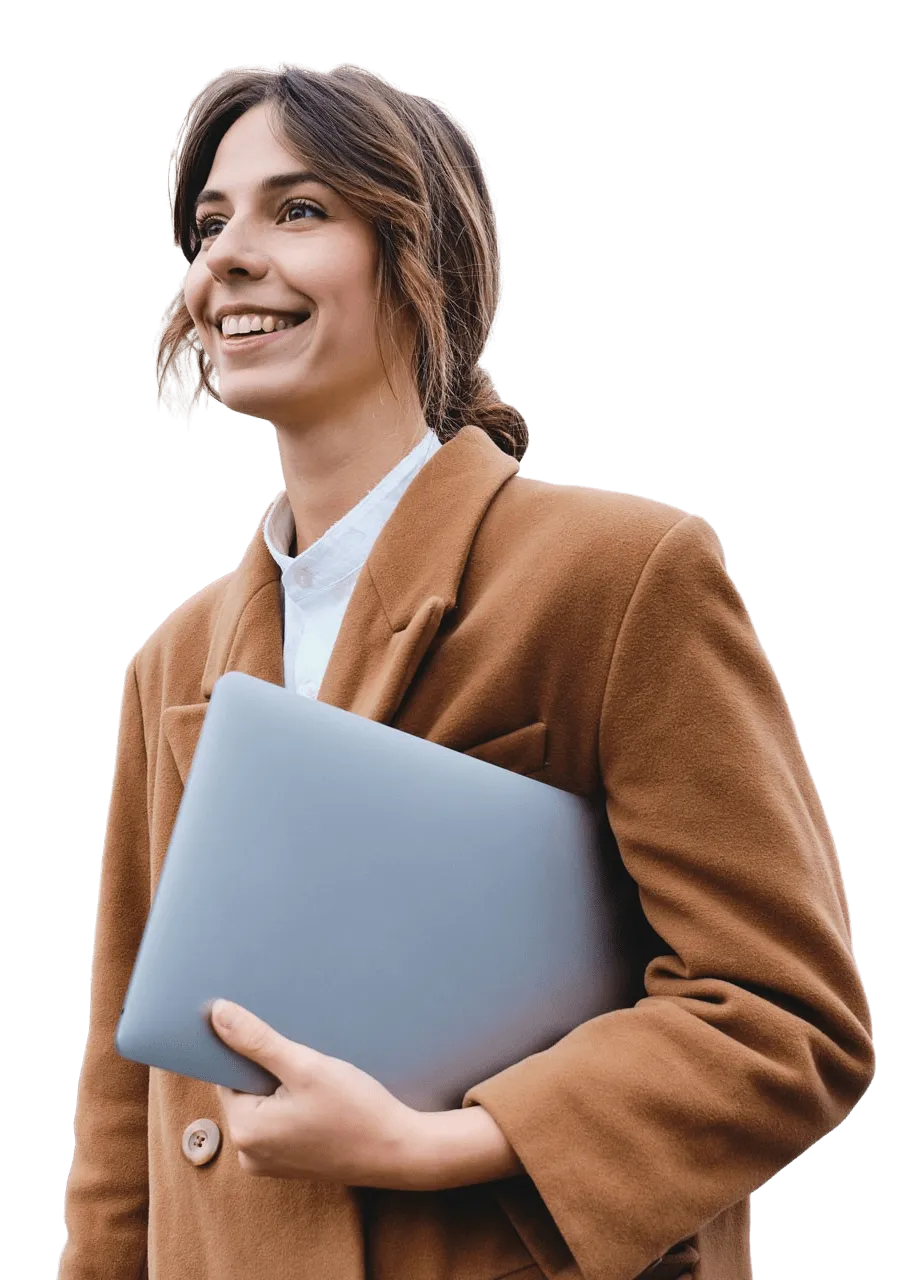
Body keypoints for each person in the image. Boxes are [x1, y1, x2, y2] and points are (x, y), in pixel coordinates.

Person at [61, 63, 874, 1280]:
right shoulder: (170, 662)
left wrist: (441, 1140)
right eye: (209, 223)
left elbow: (781, 1013)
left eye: (297, 210)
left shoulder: (617, 572)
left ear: (420, 255)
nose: (224, 255)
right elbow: (124, 1115)